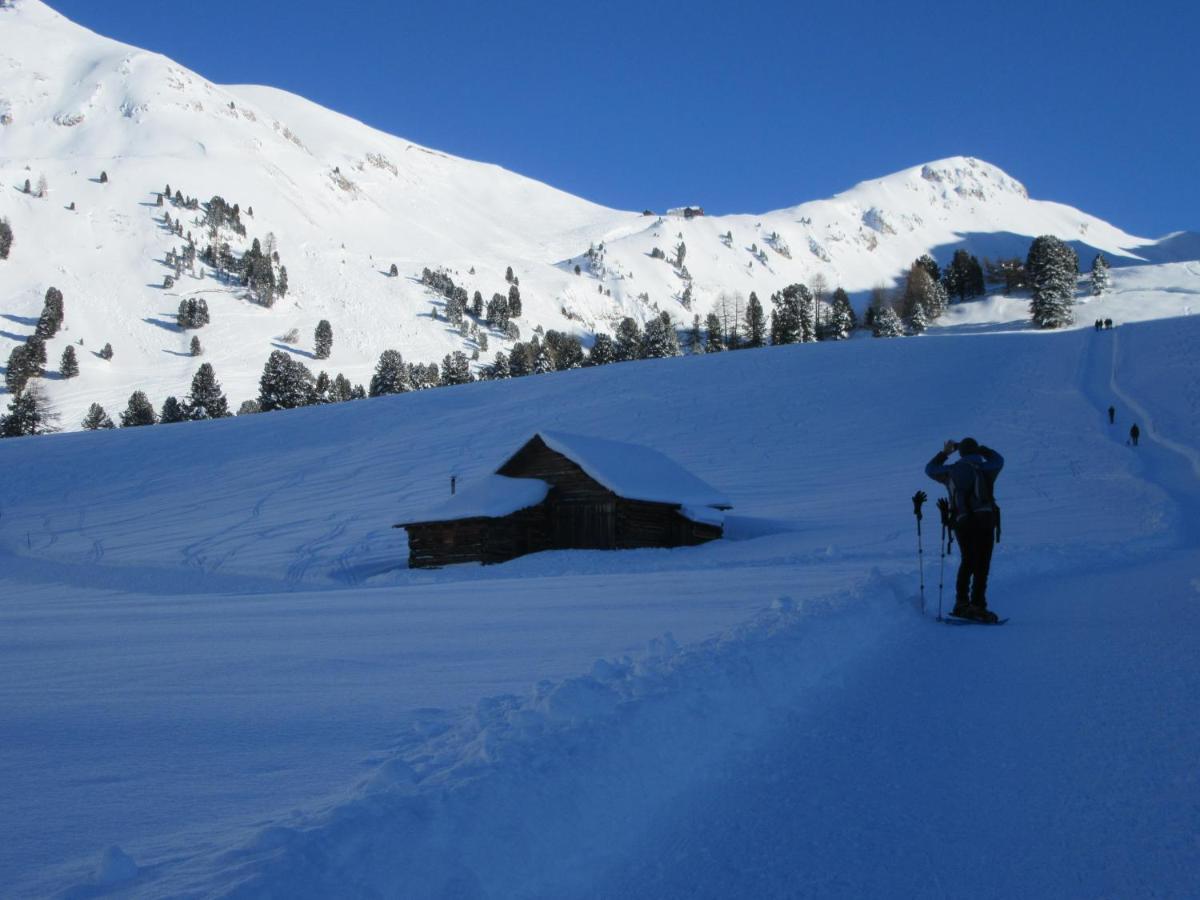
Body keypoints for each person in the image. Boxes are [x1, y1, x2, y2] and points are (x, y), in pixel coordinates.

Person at [925, 437, 1005, 622]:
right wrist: (983, 449)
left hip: (961, 522)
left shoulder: (951, 471)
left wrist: (945, 453)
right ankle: (978, 605)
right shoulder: (985, 469)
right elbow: (999, 460)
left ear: (960, 453)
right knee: (982, 563)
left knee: (968, 560)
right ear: (976, 451)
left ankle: (961, 603)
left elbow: (929, 469)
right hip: (984, 520)